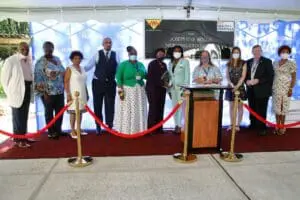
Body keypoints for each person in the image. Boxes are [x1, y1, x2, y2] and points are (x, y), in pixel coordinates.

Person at [0, 42, 33, 148]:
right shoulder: (11, 61)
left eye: (27, 49)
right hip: (16, 92)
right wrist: (10, 93)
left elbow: (29, 75)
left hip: (27, 88)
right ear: (18, 49)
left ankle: (23, 137)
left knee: (24, 115)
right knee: (18, 116)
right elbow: (4, 80)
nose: (25, 51)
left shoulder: (28, 60)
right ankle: (19, 140)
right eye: (23, 49)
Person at [85, 37, 118, 135]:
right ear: (102, 44)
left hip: (111, 83)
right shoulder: (97, 54)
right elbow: (88, 66)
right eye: (106, 42)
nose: (108, 44)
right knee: (97, 105)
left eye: (110, 42)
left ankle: (109, 125)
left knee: (110, 105)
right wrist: (76, 69)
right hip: (98, 83)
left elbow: (119, 68)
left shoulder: (115, 55)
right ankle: (98, 126)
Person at [34, 41, 66, 139]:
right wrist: (44, 93)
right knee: (49, 113)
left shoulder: (57, 59)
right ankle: (51, 132)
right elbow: (38, 78)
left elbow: (63, 71)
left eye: (50, 48)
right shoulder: (40, 62)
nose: (48, 50)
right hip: (48, 93)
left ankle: (58, 130)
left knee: (59, 112)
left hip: (59, 91)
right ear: (43, 49)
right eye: (46, 48)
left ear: (53, 48)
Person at [114, 46, 147, 134]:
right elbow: (118, 78)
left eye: (135, 54)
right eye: (131, 54)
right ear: (128, 55)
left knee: (138, 110)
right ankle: (126, 130)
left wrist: (142, 76)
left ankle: (138, 129)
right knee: (127, 110)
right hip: (127, 91)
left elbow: (146, 75)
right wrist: (120, 92)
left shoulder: (140, 64)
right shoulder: (123, 64)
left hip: (139, 92)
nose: (133, 55)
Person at [245, 45, 274, 136]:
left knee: (262, 109)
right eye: (255, 51)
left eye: (258, 50)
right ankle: (253, 124)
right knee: (252, 107)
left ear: (261, 51)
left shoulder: (267, 61)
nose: (257, 52)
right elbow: (244, 74)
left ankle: (262, 127)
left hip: (262, 90)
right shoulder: (248, 62)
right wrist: (246, 81)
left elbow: (270, 76)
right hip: (250, 89)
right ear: (252, 52)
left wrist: (258, 80)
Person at [272, 45, 297, 135]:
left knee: (283, 107)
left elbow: (294, 77)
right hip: (276, 87)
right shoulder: (275, 63)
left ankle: (282, 126)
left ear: (289, 53)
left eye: (287, 52)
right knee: (277, 107)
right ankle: (277, 125)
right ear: (279, 53)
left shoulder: (292, 63)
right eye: (283, 52)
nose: (285, 54)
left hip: (286, 88)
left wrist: (291, 88)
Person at [64, 51, 89, 139]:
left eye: (79, 58)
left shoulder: (82, 68)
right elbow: (66, 82)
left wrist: (86, 92)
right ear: (71, 59)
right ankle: (72, 130)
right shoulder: (69, 68)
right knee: (73, 112)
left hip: (82, 93)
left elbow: (84, 82)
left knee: (80, 112)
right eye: (75, 58)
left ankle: (78, 128)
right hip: (73, 94)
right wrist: (68, 94)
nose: (77, 60)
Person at [168, 45, 190, 134]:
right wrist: (169, 86)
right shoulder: (171, 63)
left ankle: (181, 126)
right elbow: (170, 76)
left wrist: (185, 89)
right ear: (173, 53)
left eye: (179, 51)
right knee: (174, 108)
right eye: (175, 51)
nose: (177, 53)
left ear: (181, 53)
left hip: (181, 89)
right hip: (173, 89)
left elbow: (187, 76)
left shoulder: (185, 62)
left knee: (181, 108)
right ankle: (176, 125)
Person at [225, 47, 247, 132]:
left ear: (240, 53)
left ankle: (238, 125)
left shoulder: (243, 63)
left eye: (237, 52)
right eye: (234, 52)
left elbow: (243, 76)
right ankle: (232, 124)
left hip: (240, 87)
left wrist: (237, 86)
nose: (236, 53)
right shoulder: (228, 63)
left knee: (239, 107)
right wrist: (231, 84)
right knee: (231, 107)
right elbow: (227, 76)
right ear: (232, 53)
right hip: (230, 87)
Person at [146, 48, 168, 134]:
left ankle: (159, 128)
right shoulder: (152, 64)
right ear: (156, 54)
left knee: (161, 108)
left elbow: (166, 76)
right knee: (153, 108)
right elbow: (151, 77)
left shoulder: (164, 64)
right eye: (159, 53)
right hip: (153, 89)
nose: (161, 55)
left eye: (163, 54)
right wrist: (161, 83)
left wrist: (166, 83)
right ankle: (151, 129)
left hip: (162, 89)